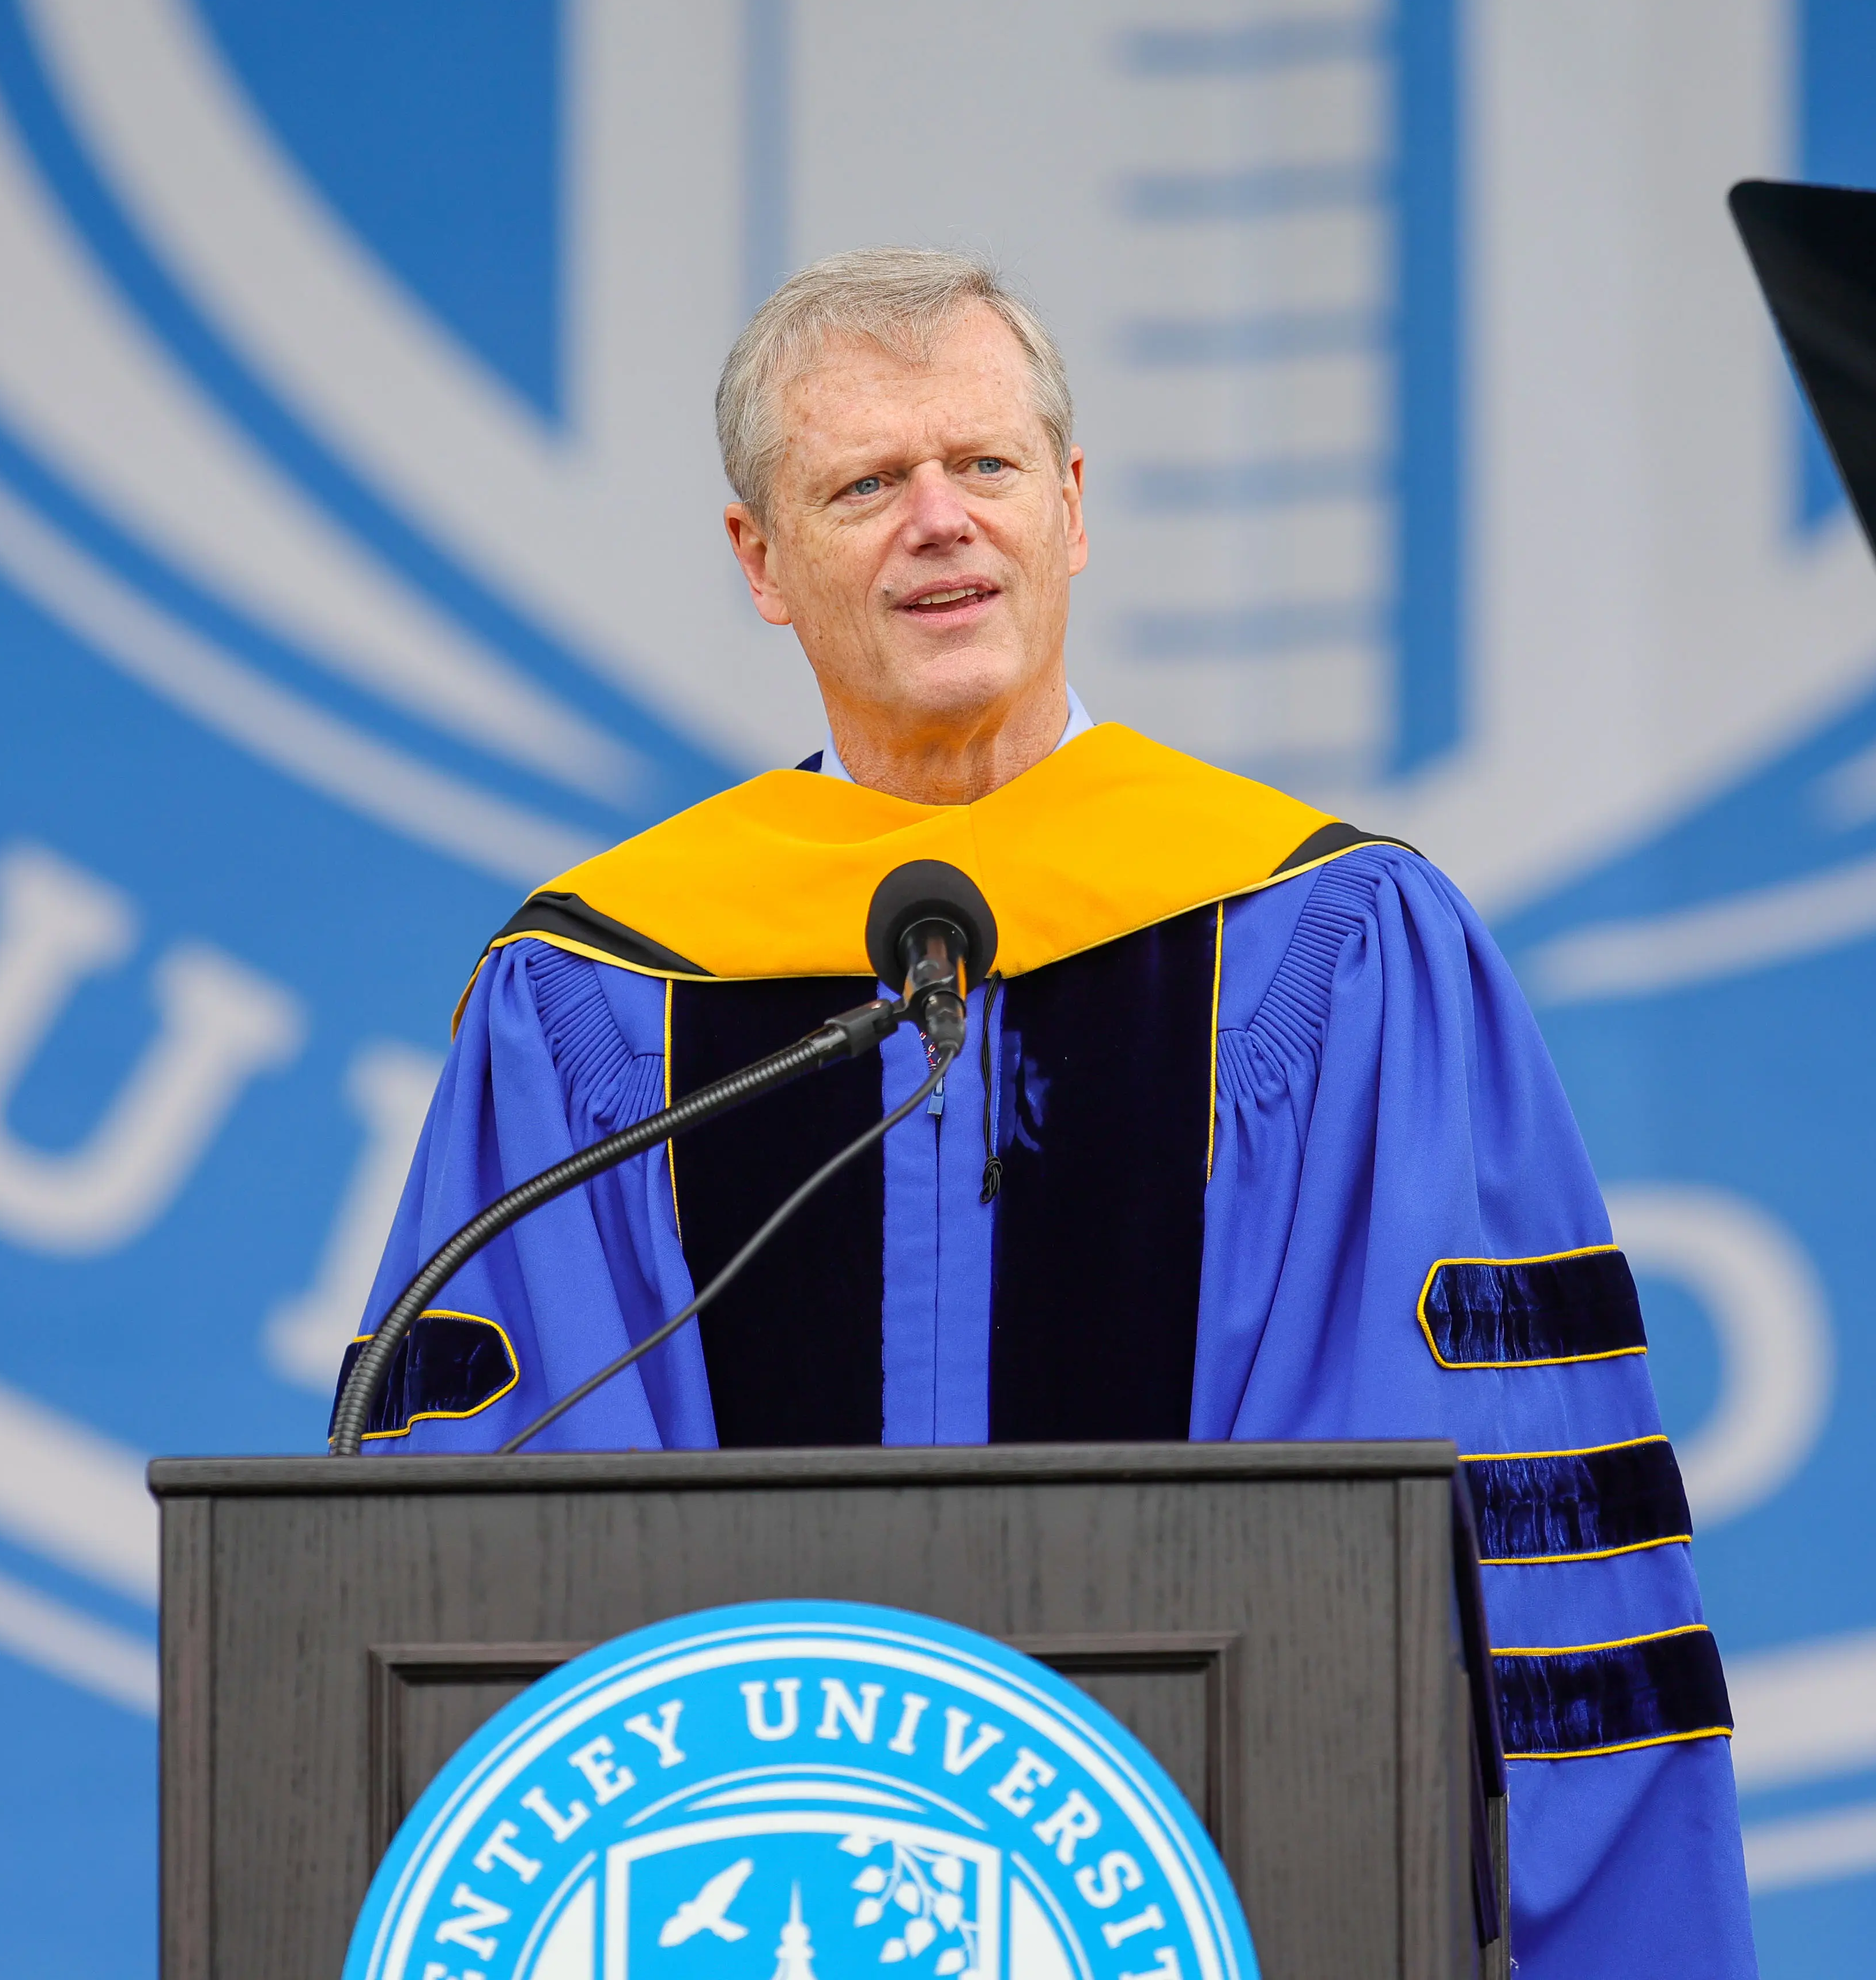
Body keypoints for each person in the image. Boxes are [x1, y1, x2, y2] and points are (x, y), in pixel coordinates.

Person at [345, 248, 1758, 1977]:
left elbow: (1432, 1506)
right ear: (760, 563)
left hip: (1230, 1900)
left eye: (986, 467)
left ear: (1071, 511)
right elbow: (507, 1512)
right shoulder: (597, 985)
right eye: (864, 484)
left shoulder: (1321, 935)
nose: (939, 522)